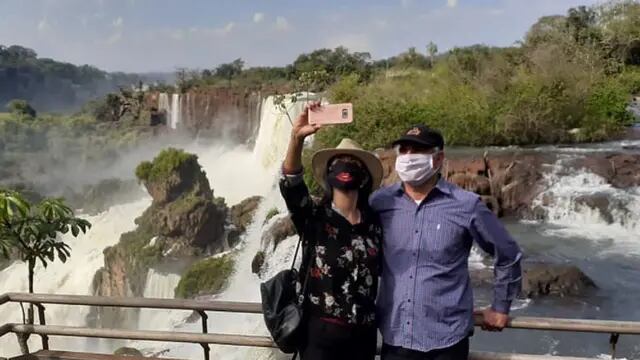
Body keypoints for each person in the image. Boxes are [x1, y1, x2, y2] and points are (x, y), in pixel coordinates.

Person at [370, 125, 523, 360]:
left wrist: (500, 306)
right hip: (395, 336)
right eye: (404, 150)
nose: (409, 157)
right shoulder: (381, 202)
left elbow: (508, 253)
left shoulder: (465, 204)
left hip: (446, 340)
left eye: (418, 150)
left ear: (438, 158)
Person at [280, 102, 383, 360]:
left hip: (364, 336)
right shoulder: (313, 217)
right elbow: (290, 181)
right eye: (340, 162)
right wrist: (297, 138)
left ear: (364, 177)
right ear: (329, 173)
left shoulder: (375, 223)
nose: (346, 167)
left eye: (353, 163)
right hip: (320, 336)